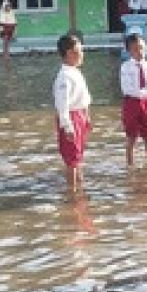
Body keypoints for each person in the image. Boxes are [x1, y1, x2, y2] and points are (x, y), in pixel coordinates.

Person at [53, 34, 92, 192]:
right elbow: (62, 105)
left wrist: (87, 116)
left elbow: (84, 97)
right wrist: (67, 126)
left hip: (80, 115)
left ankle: (79, 186)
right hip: (71, 117)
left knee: (78, 156)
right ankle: (72, 192)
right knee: (72, 159)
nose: (82, 54)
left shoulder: (75, 72)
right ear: (69, 53)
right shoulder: (64, 77)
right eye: (78, 51)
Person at [119, 33, 147, 167]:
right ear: (128, 51)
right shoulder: (125, 67)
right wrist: (143, 93)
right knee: (131, 136)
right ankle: (130, 164)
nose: (139, 52)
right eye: (135, 49)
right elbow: (126, 88)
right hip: (132, 102)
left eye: (141, 48)